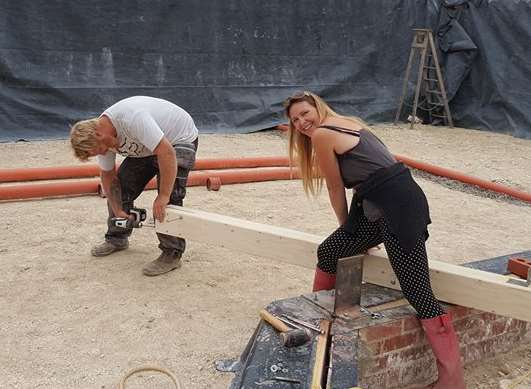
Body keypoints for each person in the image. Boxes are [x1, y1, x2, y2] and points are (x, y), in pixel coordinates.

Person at [284, 91, 465, 389]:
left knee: (418, 293)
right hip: (381, 205)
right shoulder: (346, 123)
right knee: (330, 252)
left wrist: (347, 230)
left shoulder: (323, 134)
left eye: (305, 113)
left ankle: (452, 381)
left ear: (318, 108)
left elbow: (334, 188)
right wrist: (353, 235)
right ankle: (319, 322)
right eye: (295, 120)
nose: (302, 122)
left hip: (398, 207)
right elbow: (370, 177)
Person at [70, 96, 199, 276]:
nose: (103, 153)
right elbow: (108, 176)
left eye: (99, 150)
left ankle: (172, 254)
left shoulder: (132, 118)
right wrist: (118, 209)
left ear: (99, 135)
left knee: (170, 198)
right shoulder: (101, 138)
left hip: (177, 140)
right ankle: (117, 238)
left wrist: (163, 196)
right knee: (119, 189)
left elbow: (166, 152)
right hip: (149, 145)